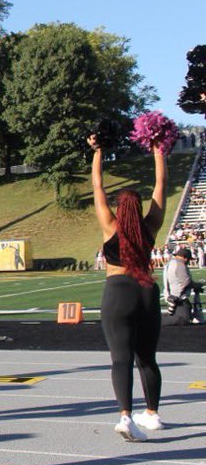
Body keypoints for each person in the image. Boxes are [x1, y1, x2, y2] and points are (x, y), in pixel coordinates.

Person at [90, 133, 166, 441]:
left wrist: (98, 152)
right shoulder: (151, 227)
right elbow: (160, 187)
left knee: (120, 359)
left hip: (118, 291)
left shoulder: (110, 225)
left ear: (121, 210)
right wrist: (159, 150)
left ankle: (125, 416)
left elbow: (97, 187)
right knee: (147, 358)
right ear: (139, 209)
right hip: (146, 290)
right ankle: (152, 414)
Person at [163, 247, 201, 325]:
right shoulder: (180, 264)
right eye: (189, 259)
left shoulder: (170, 263)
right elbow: (186, 282)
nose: (188, 262)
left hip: (172, 297)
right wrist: (197, 285)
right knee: (183, 320)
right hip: (179, 299)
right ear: (185, 258)